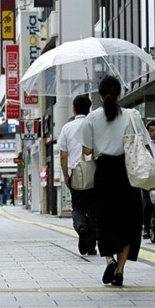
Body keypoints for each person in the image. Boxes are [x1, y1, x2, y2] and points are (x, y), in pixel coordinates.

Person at [80, 76, 152, 286]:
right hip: (127, 172)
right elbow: (145, 145)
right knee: (129, 222)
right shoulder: (132, 115)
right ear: (119, 93)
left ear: (101, 95)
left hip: (104, 173)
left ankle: (109, 259)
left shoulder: (92, 118)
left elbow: (86, 150)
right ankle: (120, 270)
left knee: (105, 220)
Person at [57, 94, 97, 256]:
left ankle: (81, 227)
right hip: (94, 173)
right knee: (94, 210)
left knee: (78, 207)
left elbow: (62, 155)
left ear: (73, 109)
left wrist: (66, 175)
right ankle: (91, 245)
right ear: (89, 108)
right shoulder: (94, 125)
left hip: (76, 173)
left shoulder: (67, 128)